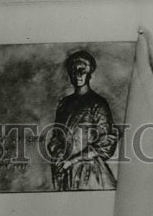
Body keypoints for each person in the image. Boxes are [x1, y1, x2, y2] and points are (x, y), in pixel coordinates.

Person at [46, 49, 119, 191]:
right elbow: (56, 137)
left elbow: (105, 142)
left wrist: (73, 160)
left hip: (89, 173)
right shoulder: (64, 104)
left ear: (89, 73)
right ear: (69, 74)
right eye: (74, 70)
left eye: (82, 70)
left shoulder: (98, 104)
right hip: (66, 172)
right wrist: (60, 155)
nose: (78, 75)